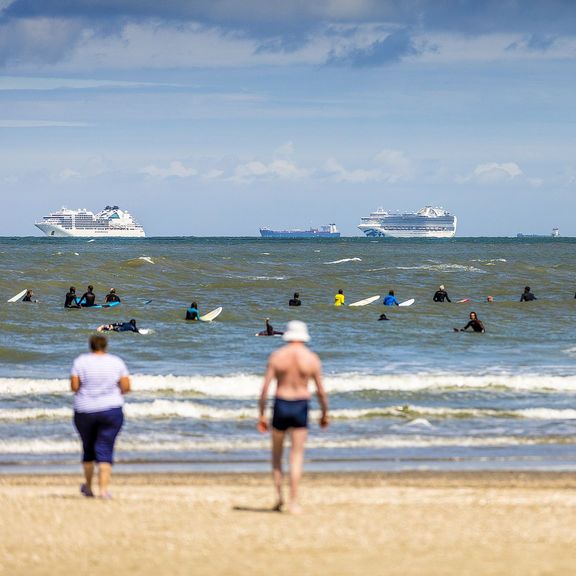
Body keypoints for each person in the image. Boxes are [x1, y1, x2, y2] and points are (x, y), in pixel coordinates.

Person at [258, 320, 329, 514]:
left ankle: (279, 497)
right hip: (300, 406)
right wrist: (325, 414)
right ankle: (294, 502)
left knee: (277, 455)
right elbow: (321, 392)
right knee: (296, 456)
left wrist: (262, 415)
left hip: (281, 404)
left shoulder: (277, 356)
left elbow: (264, 389)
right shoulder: (311, 358)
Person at [71, 334, 130, 499]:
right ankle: (103, 491)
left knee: (88, 448)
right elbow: (126, 387)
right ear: (105, 346)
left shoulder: (80, 361)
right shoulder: (116, 362)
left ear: (90, 346)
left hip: (85, 409)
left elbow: (74, 387)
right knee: (105, 448)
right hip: (110, 409)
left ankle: (89, 488)